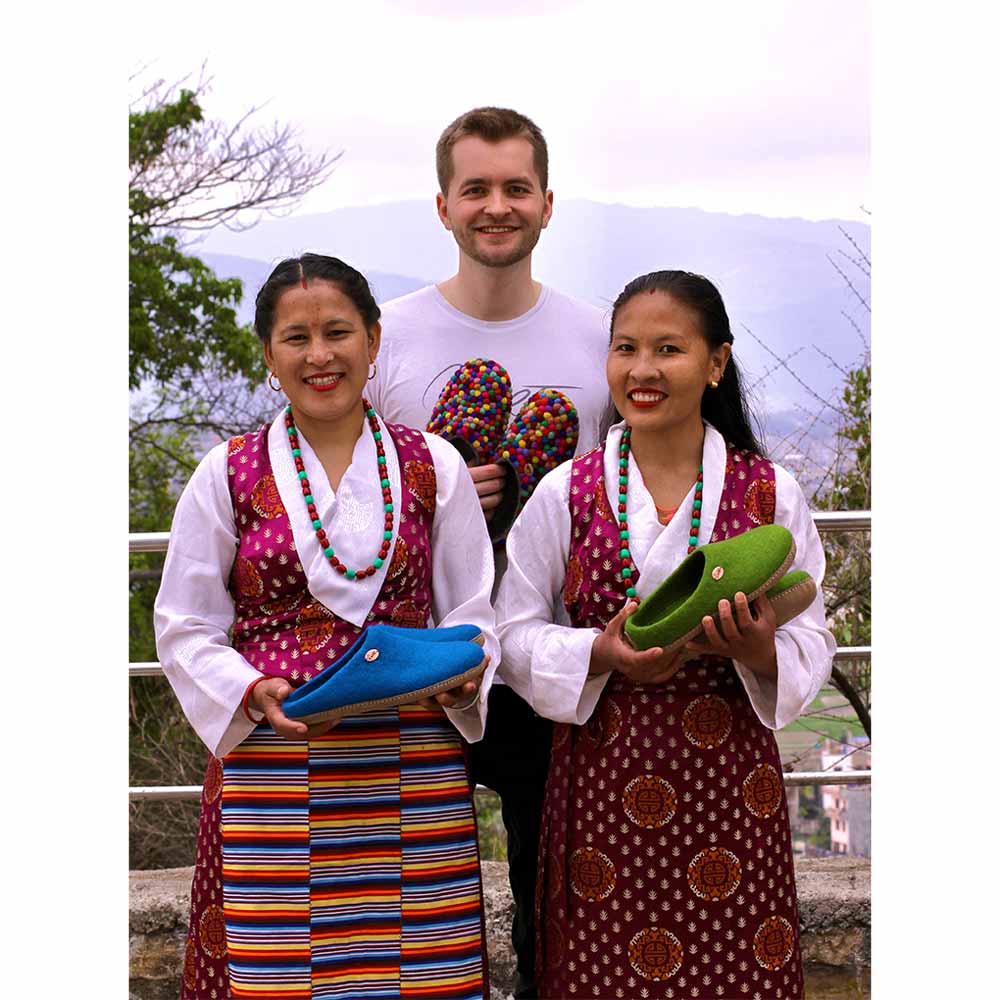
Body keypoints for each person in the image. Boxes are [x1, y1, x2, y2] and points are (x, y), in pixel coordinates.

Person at [154, 253, 500, 1000]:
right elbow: (184, 624)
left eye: (339, 332)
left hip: (412, 766)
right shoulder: (226, 473)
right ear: (269, 356)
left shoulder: (431, 465)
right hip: (274, 763)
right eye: (296, 337)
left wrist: (468, 669)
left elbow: (472, 608)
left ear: (374, 341)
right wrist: (248, 689)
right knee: (277, 974)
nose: (320, 355)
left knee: (422, 974)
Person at [495, 270, 835, 1000]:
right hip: (603, 789)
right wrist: (597, 652)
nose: (642, 371)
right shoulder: (567, 491)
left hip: (731, 792)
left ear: (716, 363)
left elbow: (811, 634)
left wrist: (758, 649)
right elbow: (511, 633)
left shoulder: (771, 494)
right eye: (625, 349)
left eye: (669, 349)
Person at [368, 107, 611, 999]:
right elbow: (346, 491)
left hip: (553, 660)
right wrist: (437, 499)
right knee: (411, 899)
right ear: (443, 205)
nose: (496, 207)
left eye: (516, 188)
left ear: (549, 203)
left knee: (559, 906)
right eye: (476, 189)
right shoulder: (385, 337)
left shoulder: (600, 337)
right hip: (421, 660)